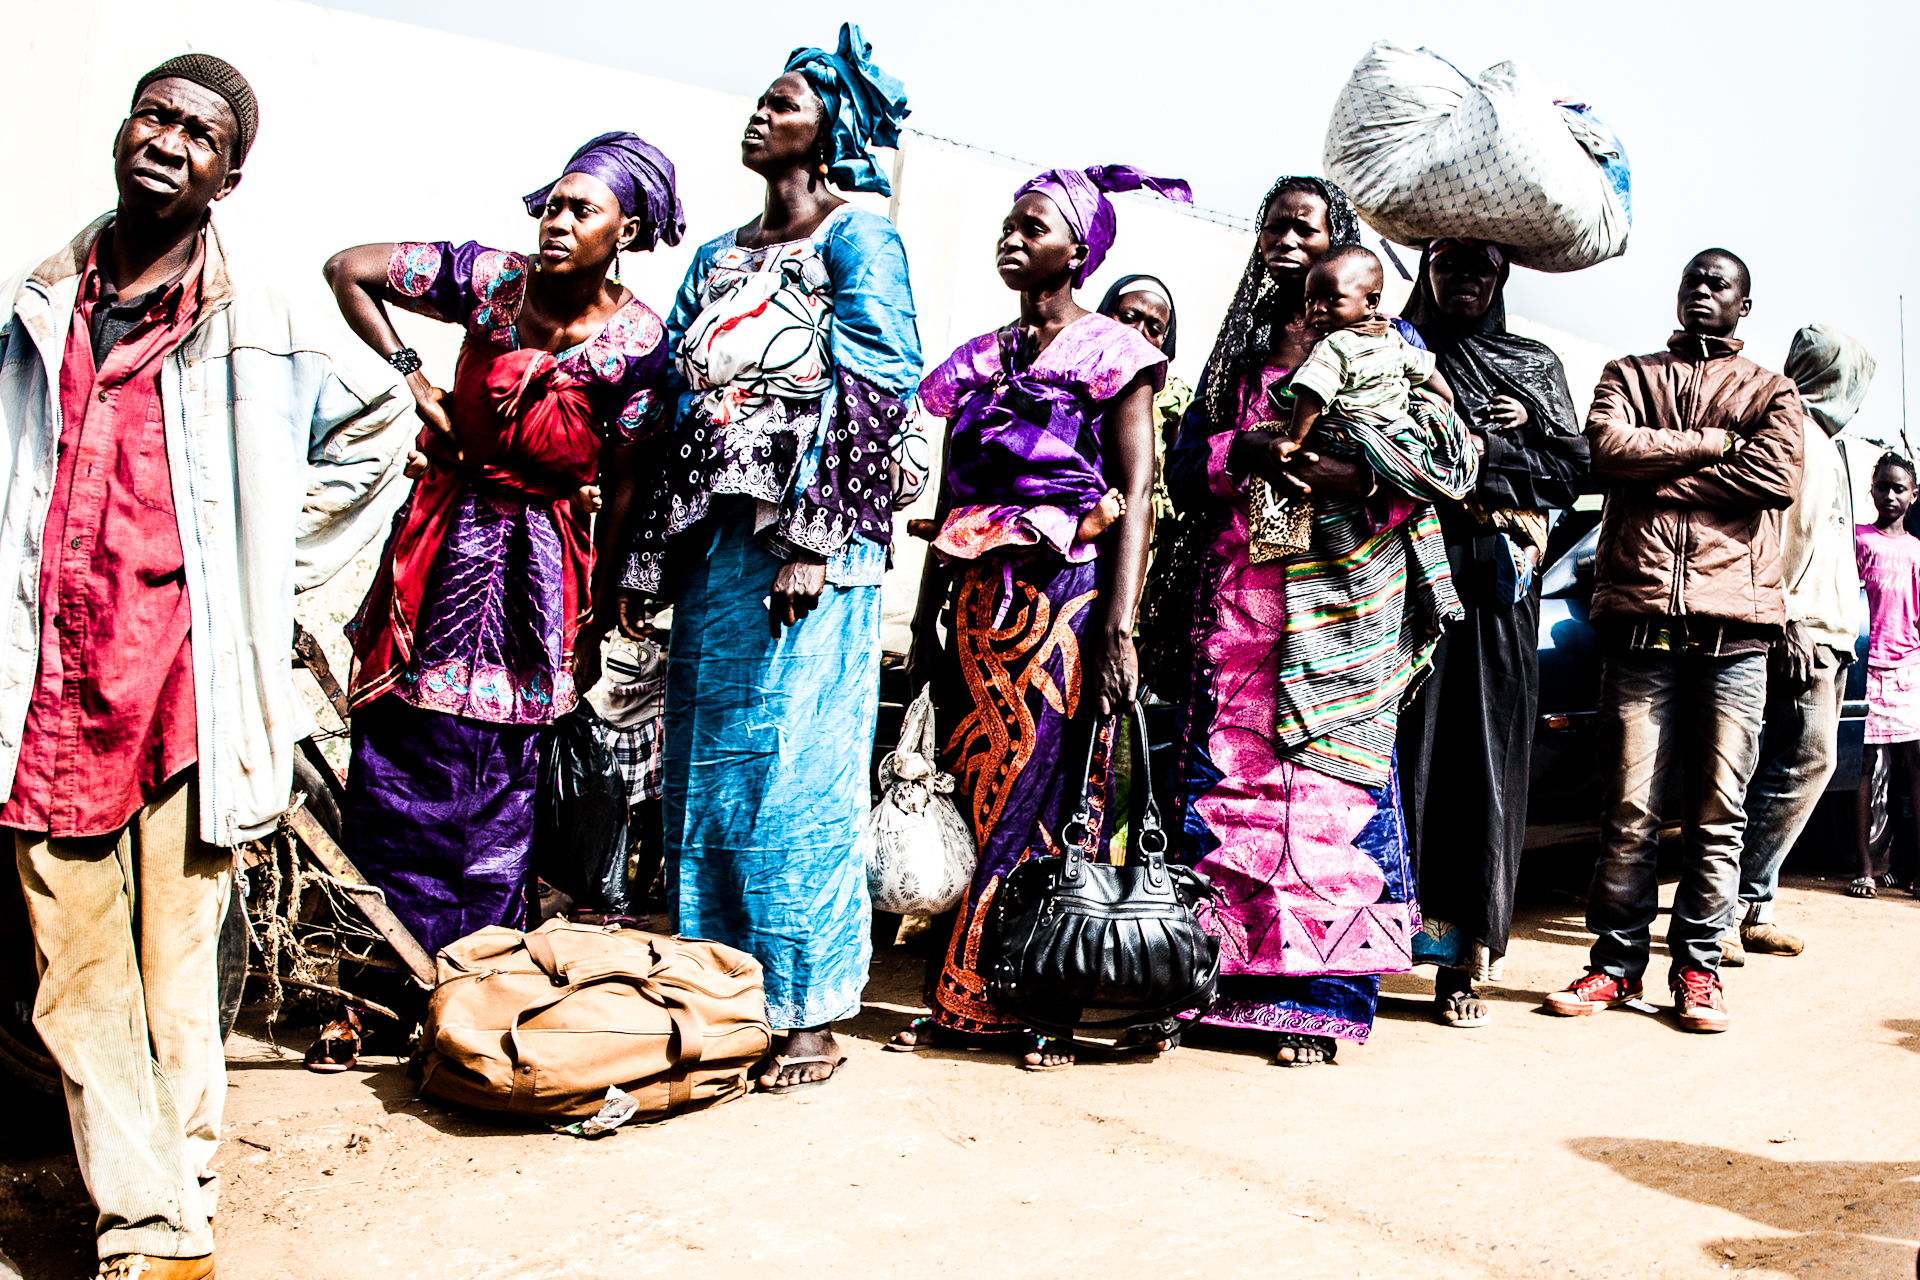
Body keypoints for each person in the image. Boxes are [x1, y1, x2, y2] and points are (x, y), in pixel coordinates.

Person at [0, 55, 411, 1278]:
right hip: (52, 689)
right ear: (126, 130)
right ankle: (164, 1221)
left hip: (187, 687)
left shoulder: (268, 319)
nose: (170, 139)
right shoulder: (35, 304)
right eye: (157, 114)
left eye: (201, 131)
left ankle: (163, 1218)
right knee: (75, 982)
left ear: (230, 174)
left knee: (177, 977)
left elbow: (380, 426)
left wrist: (267, 575)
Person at [323, 132, 683, 1063]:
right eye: (553, 204)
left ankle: (472, 985)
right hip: (444, 538)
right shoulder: (488, 282)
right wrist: (415, 381)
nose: (556, 222)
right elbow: (349, 269)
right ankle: (367, 986)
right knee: (406, 749)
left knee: (504, 774)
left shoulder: (642, 345)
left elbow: (631, 480)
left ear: (626, 230)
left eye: (582, 210)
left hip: (544, 562)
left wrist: (601, 604)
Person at [620, 25, 921, 1094]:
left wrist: (815, 534)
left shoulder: (858, 240)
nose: (760, 112)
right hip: (712, 549)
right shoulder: (718, 255)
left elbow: (881, 384)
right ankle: (718, 985)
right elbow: (675, 403)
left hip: (805, 547)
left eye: (785, 102)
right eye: (758, 99)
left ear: (830, 128)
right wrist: (647, 559)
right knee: (709, 771)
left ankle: (806, 1010)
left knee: (797, 772)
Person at [1139, 176, 1473, 1066]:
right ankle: (1217, 985)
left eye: (1307, 226)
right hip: (1244, 602)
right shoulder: (1243, 349)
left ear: (1342, 241)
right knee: (1236, 787)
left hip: (1350, 605)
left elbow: (1449, 453)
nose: (1287, 239)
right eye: (1274, 225)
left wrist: (1359, 476)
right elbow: (1184, 464)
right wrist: (1235, 449)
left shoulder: (1389, 344)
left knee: (1327, 794)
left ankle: (1319, 1002)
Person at [887, 162, 1186, 1069]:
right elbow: (949, 496)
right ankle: (995, 988)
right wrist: (931, 620)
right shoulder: (979, 359)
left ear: (1080, 249)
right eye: (1008, 225)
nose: (1011, 238)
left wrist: (1119, 627)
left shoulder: (1115, 355)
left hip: (1065, 605)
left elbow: (1134, 493)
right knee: (979, 786)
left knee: (1041, 794)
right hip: (979, 607)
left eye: (1034, 227)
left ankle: (1005, 999)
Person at [1544, 249, 1801, 1034]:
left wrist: (1657, 468)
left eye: (1719, 283)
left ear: (1744, 306)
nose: (1701, 291)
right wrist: (1718, 447)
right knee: (1628, 811)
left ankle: (1698, 970)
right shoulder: (1629, 371)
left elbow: (1777, 479)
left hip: (1736, 636)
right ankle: (1614, 967)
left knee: (1718, 815)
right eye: (1693, 278)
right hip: (1641, 629)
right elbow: (1607, 451)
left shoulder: (1772, 389)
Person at [1396, 238, 1589, 1027]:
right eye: (1451, 263)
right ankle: (1367, 946)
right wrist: (1474, 447)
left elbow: (1570, 470)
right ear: (1426, 270)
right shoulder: (1395, 354)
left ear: (1503, 274)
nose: (1466, 279)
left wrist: (1500, 444)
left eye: (1483, 265)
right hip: (1398, 590)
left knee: (1481, 771)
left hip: (1493, 603)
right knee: (1401, 765)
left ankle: (1462, 961)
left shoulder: (1530, 365)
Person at [1723, 324, 1872, 958]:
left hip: (1830, 633)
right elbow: (1776, 542)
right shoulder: (1800, 437)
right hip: (1801, 632)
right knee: (1805, 762)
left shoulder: (1830, 444)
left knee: (1787, 763)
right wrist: (1786, 621)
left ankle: (1754, 906)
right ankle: (1728, 910)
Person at [1260, 245, 1455, 558]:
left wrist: (1294, 437)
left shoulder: (1334, 346)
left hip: (1355, 441)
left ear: (1371, 302)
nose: (1317, 310)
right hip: (1399, 439)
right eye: (1310, 300)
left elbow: (1312, 392)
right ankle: (1436, 588)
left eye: (1332, 299)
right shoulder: (1393, 338)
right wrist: (1447, 403)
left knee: (1339, 530)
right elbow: (1428, 371)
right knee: (1420, 520)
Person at [1851, 453, 1920, 899]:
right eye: (1883, 487)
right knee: (1862, 767)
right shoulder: (1859, 541)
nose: (1890, 496)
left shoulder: (1917, 550)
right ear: (1871, 490)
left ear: (1914, 495)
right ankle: (1864, 868)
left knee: (1912, 767)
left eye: (1900, 488)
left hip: (1908, 669)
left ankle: (1912, 870)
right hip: (1866, 667)